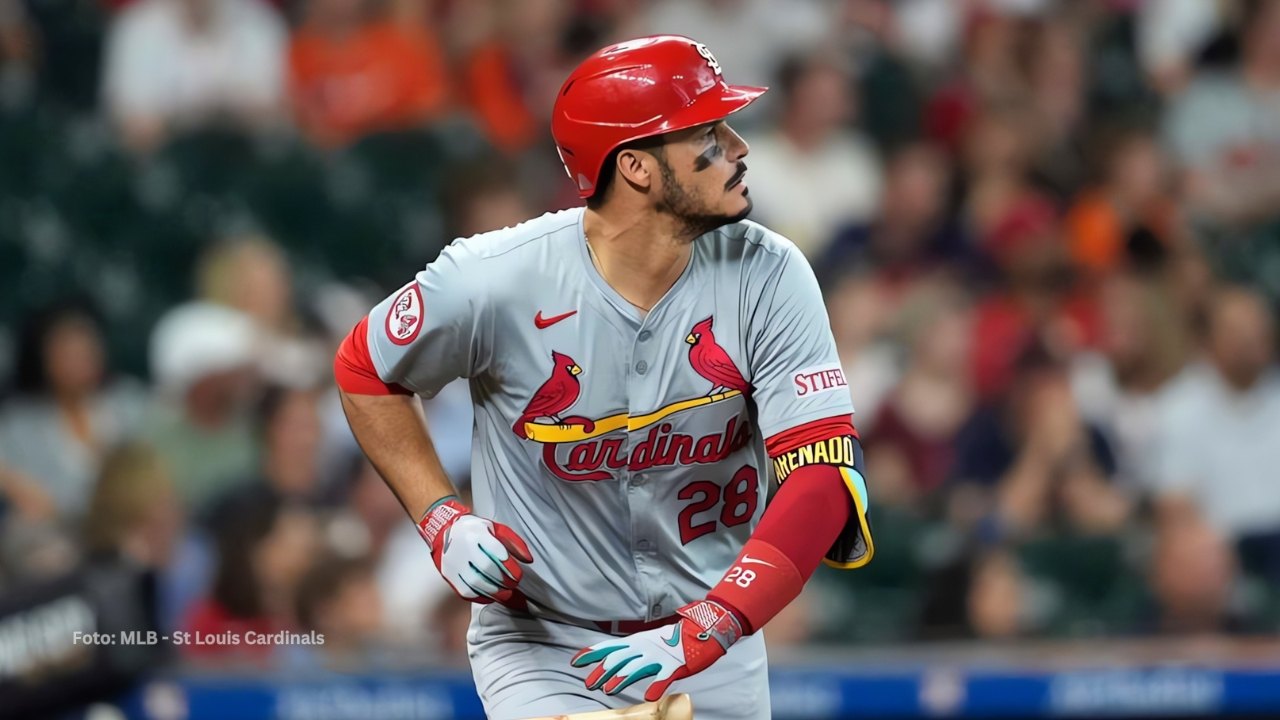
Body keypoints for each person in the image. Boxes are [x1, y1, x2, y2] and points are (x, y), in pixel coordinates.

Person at [334, 35, 873, 718]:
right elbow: (363, 367)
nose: (738, 147)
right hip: (544, 641)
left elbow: (823, 479)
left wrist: (710, 627)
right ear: (638, 169)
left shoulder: (771, 273)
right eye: (709, 133)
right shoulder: (494, 280)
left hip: (714, 634)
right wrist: (440, 515)